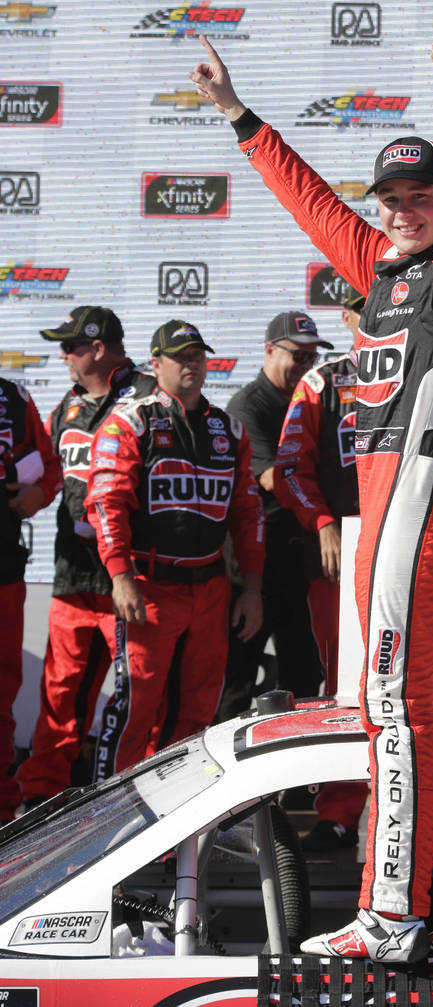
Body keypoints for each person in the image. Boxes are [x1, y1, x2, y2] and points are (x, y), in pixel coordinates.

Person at [189, 7, 433, 963]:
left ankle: (390, 912)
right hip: (390, 515)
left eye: (419, 192)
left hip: (423, 505)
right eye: (389, 194)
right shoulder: (377, 271)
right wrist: (240, 116)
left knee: (391, 711)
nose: (399, 206)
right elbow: (310, 205)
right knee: (423, 709)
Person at [84, 320, 264, 778]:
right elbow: (106, 503)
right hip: (149, 587)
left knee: (198, 711)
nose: (192, 364)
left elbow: (248, 515)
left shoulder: (230, 430)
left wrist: (252, 588)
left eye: (198, 355)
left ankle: (177, 824)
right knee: (136, 709)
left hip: (211, 588)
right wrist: (121, 575)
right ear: (156, 364)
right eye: (181, 356)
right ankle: (111, 819)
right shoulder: (130, 421)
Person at [17, 306, 155, 808]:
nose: (63, 356)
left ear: (98, 349)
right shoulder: (67, 408)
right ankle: (38, 802)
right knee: (59, 698)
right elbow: (48, 472)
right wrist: (30, 494)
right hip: (72, 575)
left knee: (136, 703)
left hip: (133, 579)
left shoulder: (147, 398)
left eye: (71, 347)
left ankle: (137, 811)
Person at [273, 285, 369, 851]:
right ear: (349, 315)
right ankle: (339, 813)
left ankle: (417, 817)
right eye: (362, 307)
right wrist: (322, 523)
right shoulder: (322, 381)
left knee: (423, 688)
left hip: (412, 552)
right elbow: (289, 467)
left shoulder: (426, 371)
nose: (371, 316)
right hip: (340, 560)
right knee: (346, 686)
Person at [225, 311, 333, 705]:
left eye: (312, 358)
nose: (305, 366)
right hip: (254, 569)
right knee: (236, 680)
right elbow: (276, 478)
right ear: (269, 350)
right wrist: (325, 515)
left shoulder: (312, 402)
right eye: (298, 356)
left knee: (305, 674)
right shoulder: (248, 406)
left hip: (297, 567)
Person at [0, 379, 61, 822]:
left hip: (2, 568)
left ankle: (2, 809)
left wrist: (40, 493)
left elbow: (51, 465)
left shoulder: (13, 396)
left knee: (1, 691)